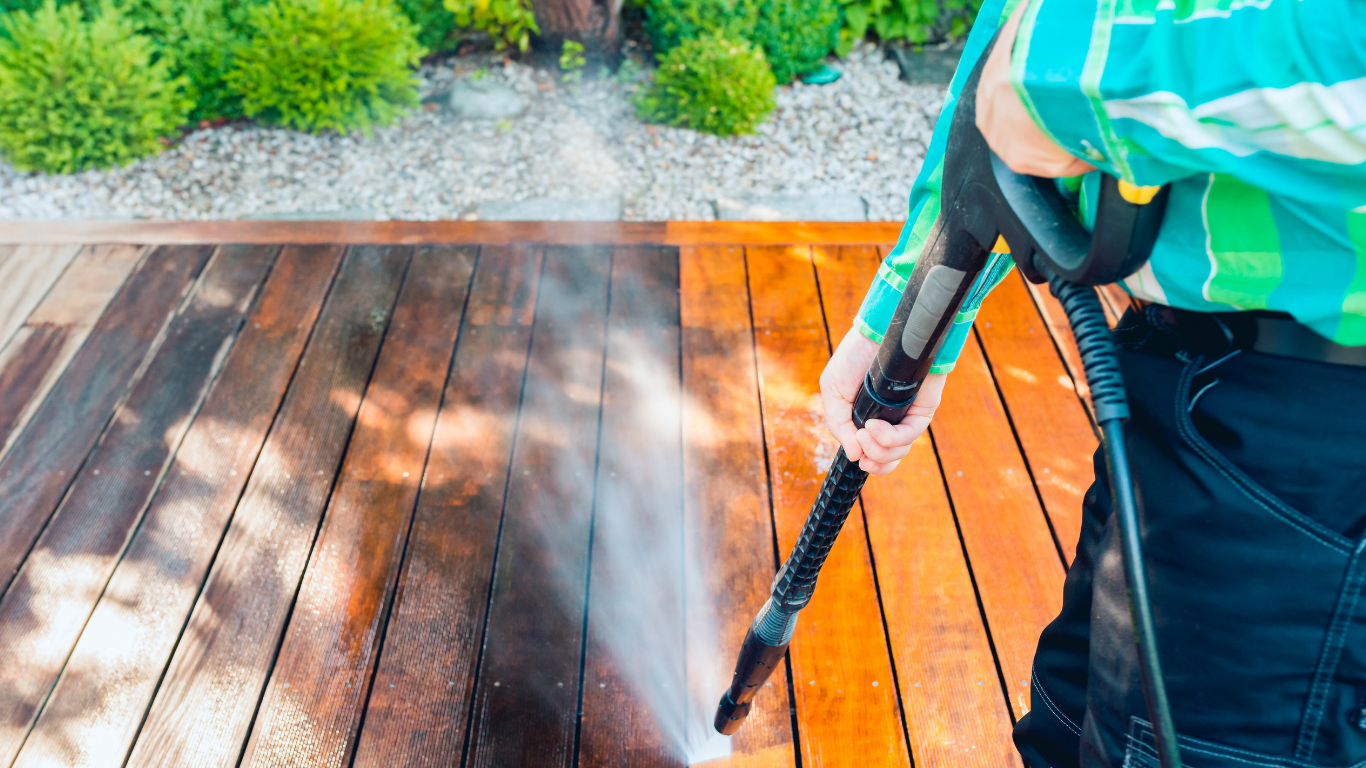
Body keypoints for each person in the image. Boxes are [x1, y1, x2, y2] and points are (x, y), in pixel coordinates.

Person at [820, 1, 1366, 766]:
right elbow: (1010, 48)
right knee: (1065, 730)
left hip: (1316, 443)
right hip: (1178, 384)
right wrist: (905, 318)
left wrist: (1068, 78)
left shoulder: (1070, 70)